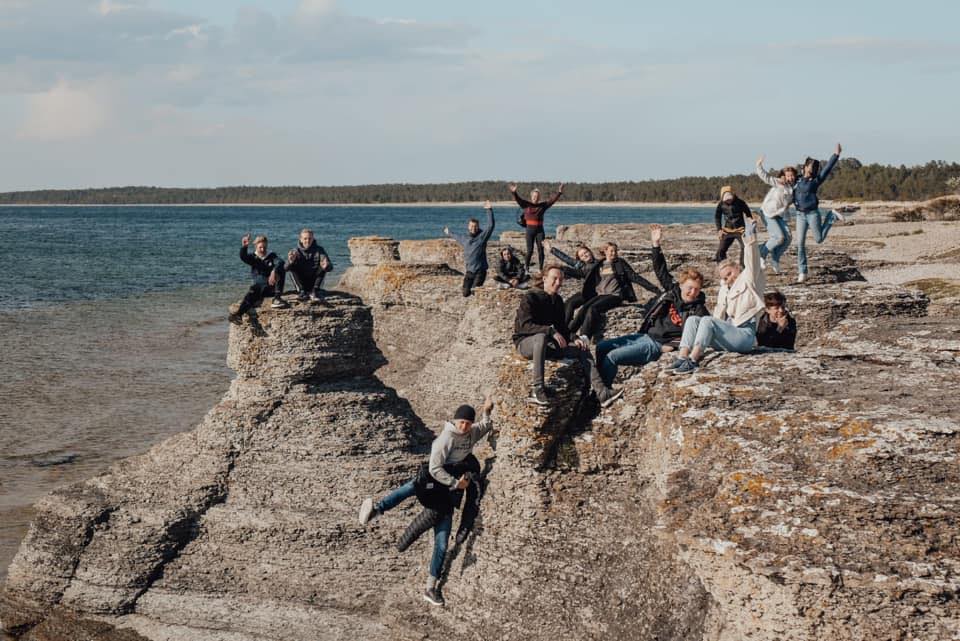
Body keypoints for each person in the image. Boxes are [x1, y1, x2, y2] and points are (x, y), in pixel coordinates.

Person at [358, 397, 496, 607]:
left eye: (468, 423)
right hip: (437, 478)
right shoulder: (445, 440)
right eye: (461, 422)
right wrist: (454, 483)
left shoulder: (470, 432)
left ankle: (430, 587)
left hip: (447, 494)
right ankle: (377, 510)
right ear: (455, 420)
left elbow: (485, 427)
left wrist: (486, 411)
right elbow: (434, 469)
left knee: (441, 544)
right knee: (412, 487)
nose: (464, 426)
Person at [595, 224, 709, 385]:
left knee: (612, 357)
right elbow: (661, 270)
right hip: (645, 335)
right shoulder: (673, 291)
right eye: (690, 288)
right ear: (682, 285)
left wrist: (672, 346)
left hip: (657, 345)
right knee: (601, 347)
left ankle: (604, 393)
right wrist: (656, 245)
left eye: (697, 290)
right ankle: (596, 387)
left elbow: (702, 333)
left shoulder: (698, 308)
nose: (693, 293)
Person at [513, 265, 623, 407]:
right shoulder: (530, 297)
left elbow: (562, 328)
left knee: (582, 349)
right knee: (541, 337)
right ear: (545, 279)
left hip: (547, 346)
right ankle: (538, 389)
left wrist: (575, 338)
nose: (558, 283)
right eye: (554, 278)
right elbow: (523, 326)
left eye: (561, 280)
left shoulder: (557, 300)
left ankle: (602, 393)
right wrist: (550, 331)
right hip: (526, 344)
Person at [671, 218, 766, 374]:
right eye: (725, 277)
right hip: (727, 334)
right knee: (693, 320)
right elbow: (718, 315)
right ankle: (682, 357)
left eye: (730, 273)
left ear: (737, 268)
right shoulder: (725, 289)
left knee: (707, 321)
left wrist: (750, 238)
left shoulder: (749, 279)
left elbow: (753, 260)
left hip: (744, 336)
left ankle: (694, 360)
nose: (729, 278)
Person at [568, 242, 660, 340]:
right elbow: (580, 271)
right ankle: (567, 333)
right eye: (611, 251)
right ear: (605, 251)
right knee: (583, 309)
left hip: (615, 296)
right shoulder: (599, 264)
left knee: (593, 309)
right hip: (600, 295)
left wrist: (655, 290)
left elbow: (635, 277)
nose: (614, 253)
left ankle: (585, 337)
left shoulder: (620, 263)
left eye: (615, 251)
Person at [794, 143, 846, 283]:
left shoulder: (816, 180)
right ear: (804, 167)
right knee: (800, 243)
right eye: (810, 166)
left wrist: (836, 155)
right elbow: (783, 179)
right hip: (799, 215)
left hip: (812, 214)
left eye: (814, 167)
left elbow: (827, 168)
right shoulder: (796, 179)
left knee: (819, 239)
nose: (812, 169)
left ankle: (831, 216)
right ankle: (802, 271)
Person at [229, 234, 288, 323]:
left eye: (264, 247)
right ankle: (237, 315)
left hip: (271, 288)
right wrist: (244, 247)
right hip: (259, 288)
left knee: (280, 270)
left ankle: (277, 298)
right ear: (256, 247)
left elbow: (280, 262)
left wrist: (274, 270)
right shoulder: (253, 257)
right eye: (260, 247)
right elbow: (243, 257)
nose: (263, 249)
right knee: (251, 294)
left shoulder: (271, 256)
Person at [444, 201, 496, 297]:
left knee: (474, 291)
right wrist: (448, 232)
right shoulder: (465, 238)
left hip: (480, 271)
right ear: (468, 227)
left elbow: (491, 226)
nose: (473, 228)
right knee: (465, 293)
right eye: (472, 226)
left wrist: (489, 210)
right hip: (469, 272)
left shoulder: (482, 237)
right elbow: (456, 236)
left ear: (478, 227)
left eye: (475, 226)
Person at [509, 183, 564, 272]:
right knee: (529, 250)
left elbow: (552, 201)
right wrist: (514, 192)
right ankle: (526, 268)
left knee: (541, 250)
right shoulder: (526, 204)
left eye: (537, 196)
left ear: (539, 197)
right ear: (531, 196)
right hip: (529, 230)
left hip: (539, 231)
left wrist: (559, 192)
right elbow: (518, 199)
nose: (536, 198)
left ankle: (540, 268)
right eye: (534, 196)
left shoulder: (542, 206)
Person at [755, 156, 796, 274]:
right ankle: (761, 255)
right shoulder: (779, 182)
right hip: (767, 213)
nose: (790, 177)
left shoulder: (794, 187)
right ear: (784, 176)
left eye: (792, 175)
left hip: (779, 215)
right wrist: (759, 165)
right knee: (778, 237)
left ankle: (775, 259)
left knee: (788, 238)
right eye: (788, 175)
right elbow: (765, 177)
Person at [286, 228, 333, 302]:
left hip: (314, 281)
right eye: (305, 239)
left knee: (323, 266)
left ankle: (314, 291)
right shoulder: (295, 251)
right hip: (301, 282)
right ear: (301, 239)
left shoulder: (319, 250)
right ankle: (302, 292)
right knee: (292, 266)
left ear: (313, 239)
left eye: (309, 238)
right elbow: (285, 268)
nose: (307, 241)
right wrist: (290, 262)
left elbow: (331, 267)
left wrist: (327, 266)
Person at [714, 186, 752, 265]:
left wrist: (750, 222)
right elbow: (717, 217)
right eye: (727, 199)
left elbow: (748, 213)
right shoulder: (721, 204)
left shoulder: (740, 202)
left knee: (745, 248)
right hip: (728, 230)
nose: (729, 200)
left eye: (730, 198)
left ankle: (743, 266)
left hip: (740, 229)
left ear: (733, 195)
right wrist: (719, 230)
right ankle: (722, 265)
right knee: (720, 250)